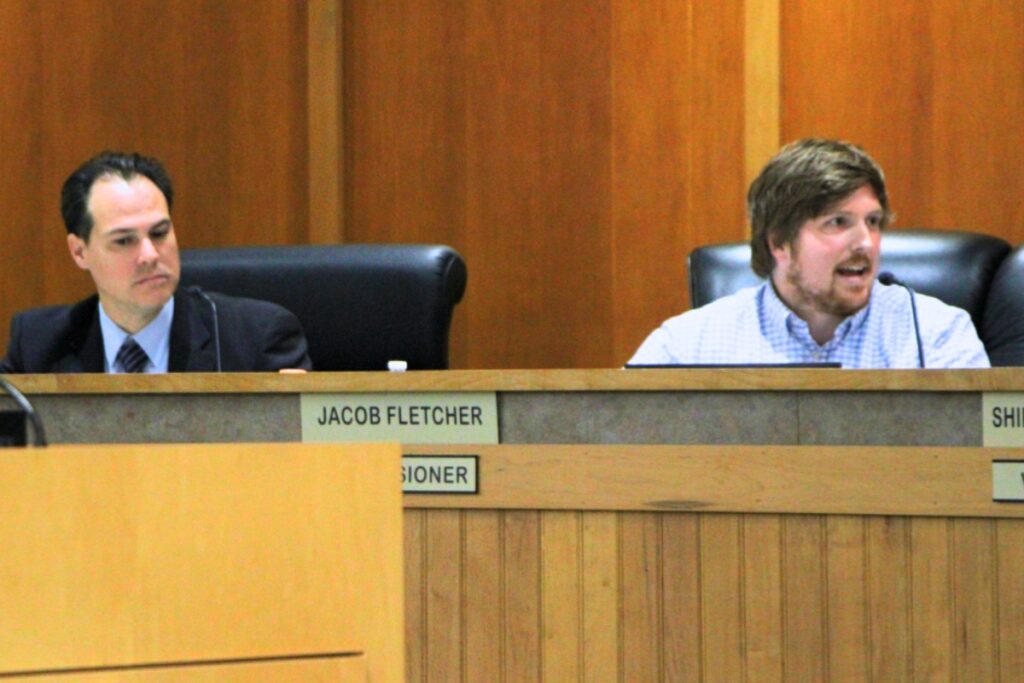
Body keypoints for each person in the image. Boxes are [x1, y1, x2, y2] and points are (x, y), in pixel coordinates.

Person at [629, 138, 990, 368]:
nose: (865, 242)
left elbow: (980, 471)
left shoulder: (935, 336)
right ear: (779, 243)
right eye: (837, 222)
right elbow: (615, 449)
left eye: (873, 221)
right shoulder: (690, 345)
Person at [0, 151, 312, 373]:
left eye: (159, 233)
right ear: (79, 251)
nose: (150, 255)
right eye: (124, 241)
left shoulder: (254, 340)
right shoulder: (38, 346)